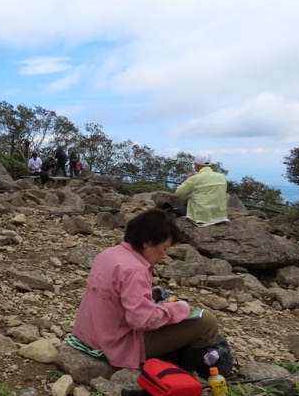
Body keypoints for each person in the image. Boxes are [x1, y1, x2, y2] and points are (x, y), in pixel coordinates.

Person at [70, 208, 220, 369]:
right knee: (207, 322)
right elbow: (140, 321)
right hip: (115, 344)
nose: (164, 255)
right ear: (147, 241)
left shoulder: (108, 254)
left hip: (89, 334)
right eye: (164, 248)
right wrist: (178, 309)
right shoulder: (135, 270)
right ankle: (182, 374)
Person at [174, 155, 228, 226]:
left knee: (172, 212)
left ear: (197, 165)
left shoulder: (195, 178)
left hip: (200, 217)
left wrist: (188, 179)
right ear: (210, 166)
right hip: (219, 216)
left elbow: (179, 193)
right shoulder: (222, 177)